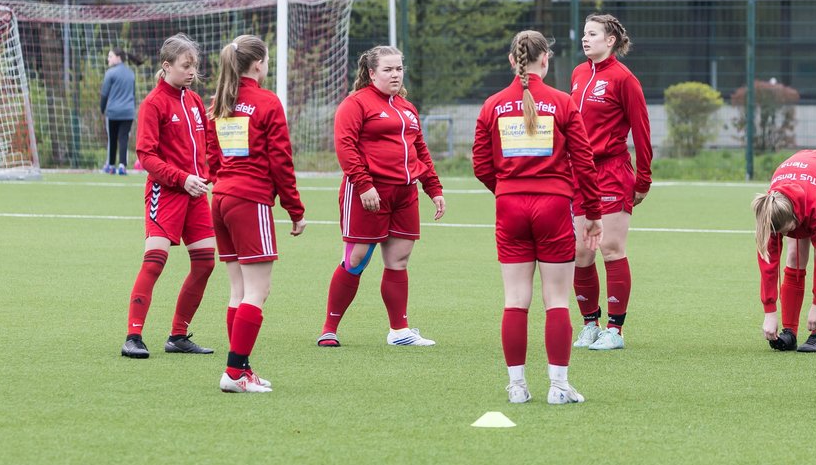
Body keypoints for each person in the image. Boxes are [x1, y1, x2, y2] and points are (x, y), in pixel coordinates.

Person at [473, 30, 603, 404]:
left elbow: (481, 164)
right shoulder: (562, 103)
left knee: (515, 299)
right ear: (545, 60)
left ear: (512, 61)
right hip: (553, 208)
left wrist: (507, 190)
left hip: (510, 208)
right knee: (556, 301)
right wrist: (592, 213)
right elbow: (584, 162)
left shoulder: (492, 105)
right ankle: (559, 387)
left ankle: (517, 387)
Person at [318, 46, 446, 348]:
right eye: (388, 69)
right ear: (371, 72)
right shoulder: (356, 103)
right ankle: (329, 328)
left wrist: (434, 189)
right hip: (369, 193)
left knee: (399, 259)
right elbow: (345, 147)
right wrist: (364, 185)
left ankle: (399, 331)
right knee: (356, 259)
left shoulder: (406, 107)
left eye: (399, 68)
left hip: (404, 193)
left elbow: (421, 151)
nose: (395, 74)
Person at [205, 35, 306, 393]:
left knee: (238, 290)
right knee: (257, 292)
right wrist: (295, 210)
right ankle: (233, 374)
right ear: (260, 63)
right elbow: (281, 161)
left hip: (221, 198)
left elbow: (211, 155)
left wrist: (223, 181)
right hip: (249, 200)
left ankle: (241, 369)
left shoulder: (220, 101)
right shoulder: (266, 102)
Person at [122, 34, 217, 359]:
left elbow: (208, 145)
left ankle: (178, 335)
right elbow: (146, 156)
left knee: (205, 263)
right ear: (166, 66)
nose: (192, 71)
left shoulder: (193, 101)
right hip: (166, 194)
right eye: (185, 65)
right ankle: (133, 336)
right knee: (155, 262)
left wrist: (211, 174)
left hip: (195, 196)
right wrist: (182, 178)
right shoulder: (153, 104)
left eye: (194, 66)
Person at [569, 13, 652, 352]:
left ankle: (615, 331)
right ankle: (590, 324)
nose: (585, 39)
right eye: (584, 34)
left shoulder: (624, 79)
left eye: (592, 34)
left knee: (610, 248)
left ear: (610, 40)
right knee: (579, 252)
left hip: (612, 172)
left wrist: (643, 180)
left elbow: (642, 131)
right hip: (578, 174)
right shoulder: (577, 73)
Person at [751, 149, 816, 353]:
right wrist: (769, 311)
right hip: (803, 186)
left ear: (795, 218)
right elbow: (768, 263)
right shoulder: (772, 210)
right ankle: (790, 332)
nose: (787, 234)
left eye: (788, 229)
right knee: (795, 255)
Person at [100, 47, 139, 174]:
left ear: (118, 58)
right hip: (128, 112)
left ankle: (110, 165)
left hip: (113, 113)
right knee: (123, 138)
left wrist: (102, 109)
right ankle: (122, 166)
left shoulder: (110, 73)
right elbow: (133, 93)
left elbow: (104, 94)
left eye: (110, 56)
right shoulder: (131, 73)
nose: (108, 59)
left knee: (112, 139)